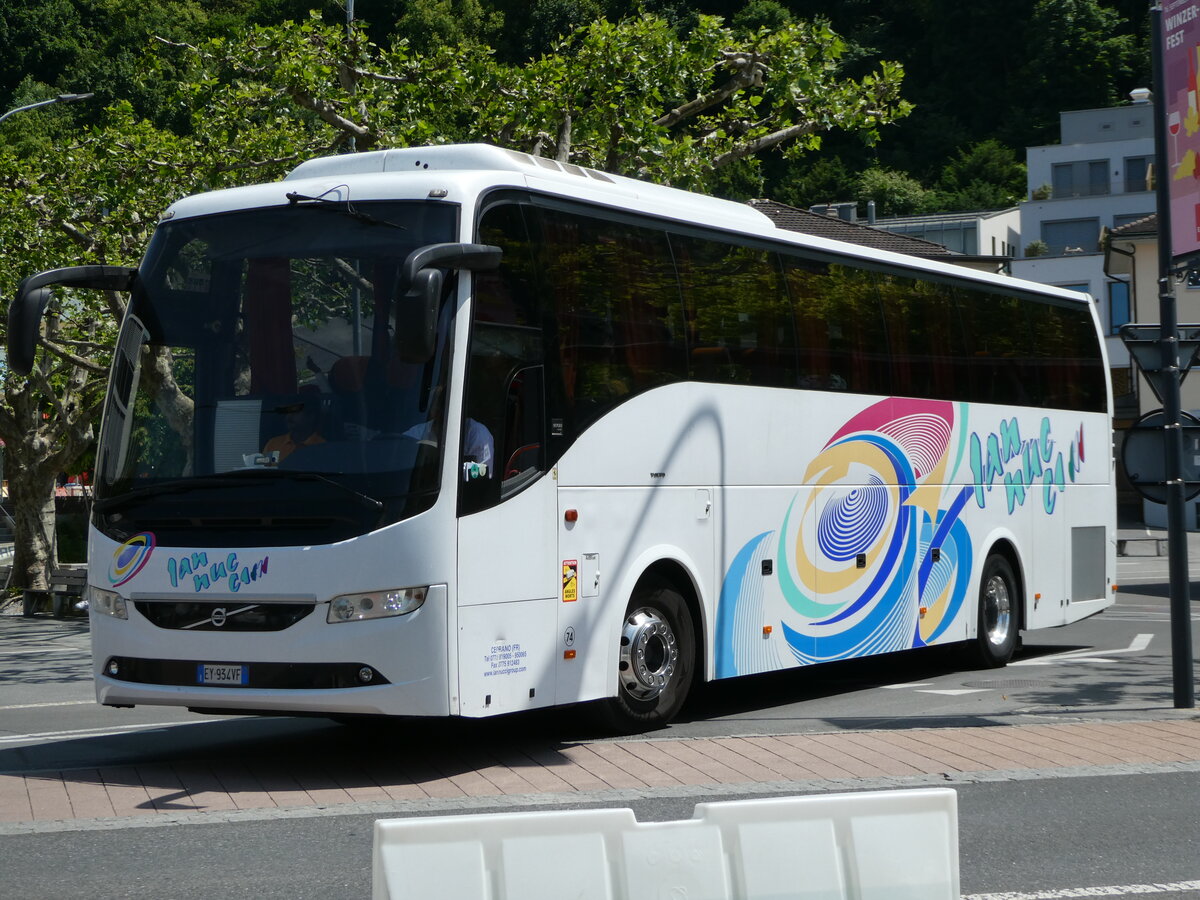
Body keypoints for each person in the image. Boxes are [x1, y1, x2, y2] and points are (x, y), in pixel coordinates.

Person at [402, 387, 494, 479]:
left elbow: (483, 476)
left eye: (444, 406)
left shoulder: (477, 434)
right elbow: (401, 451)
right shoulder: (418, 432)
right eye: (436, 406)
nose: (440, 412)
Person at [264, 390, 325, 461]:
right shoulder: (273, 444)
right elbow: (263, 469)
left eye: (295, 412)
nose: (289, 416)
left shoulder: (323, 448)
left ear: (311, 416)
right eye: (288, 412)